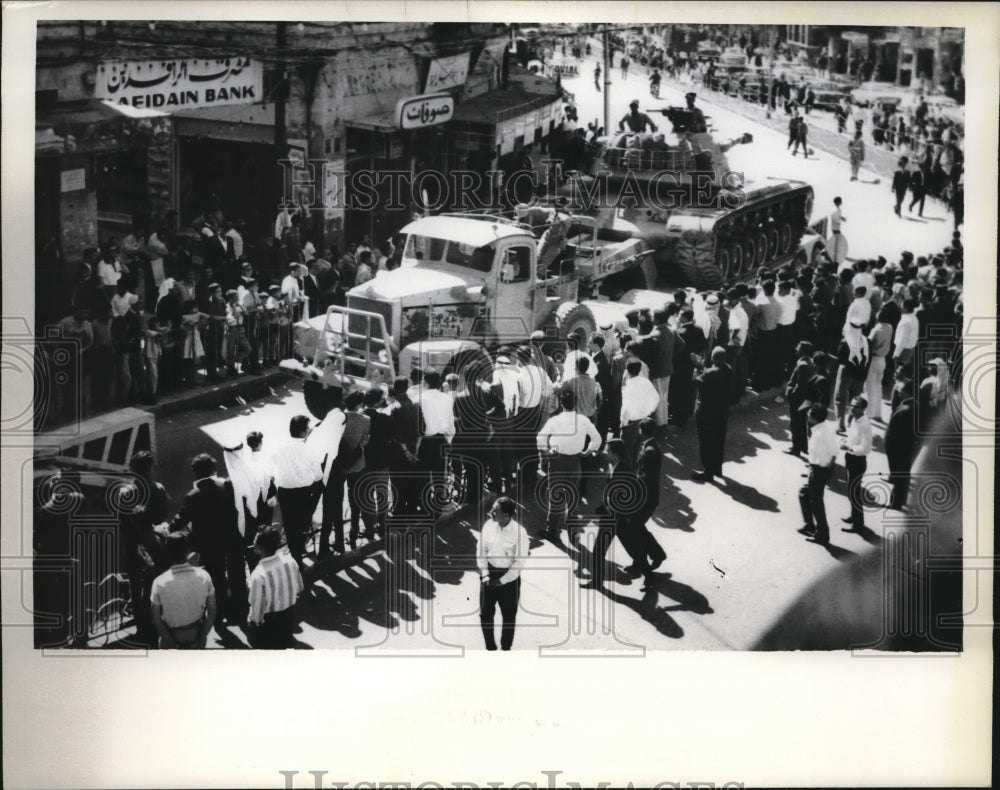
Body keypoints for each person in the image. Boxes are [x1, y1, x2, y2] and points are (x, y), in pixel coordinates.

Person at [168, 453, 246, 625]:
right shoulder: (226, 485)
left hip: (208, 542)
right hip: (231, 536)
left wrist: (168, 529)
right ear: (213, 470)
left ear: (195, 473)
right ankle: (240, 608)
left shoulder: (192, 495)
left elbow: (181, 518)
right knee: (236, 573)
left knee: (216, 577)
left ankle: (219, 613)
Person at [536, 390, 601, 543]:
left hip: (557, 461)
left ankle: (551, 531)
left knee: (555, 498)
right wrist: (587, 451)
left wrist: (546, 451)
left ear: (561, 404)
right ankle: (573, 533)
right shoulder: (583, 420)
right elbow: (597, 438)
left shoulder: (555, 420)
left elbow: (540, 437)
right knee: (572, 498)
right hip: (575, 462)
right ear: (576, 403)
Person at [477, 497, 529, 651]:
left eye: (495, 511)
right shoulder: (488, 525)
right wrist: (485, 574)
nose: (491, 512)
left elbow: (519, 563)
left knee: (508, 618)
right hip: (489, 575)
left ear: (506, 516)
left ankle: (506, 650)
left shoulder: (520, 533)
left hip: (509, 581)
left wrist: (502, 581)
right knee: (485, 616)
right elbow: (481, 550)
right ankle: (490, 649)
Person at [271, 415, 324, 564]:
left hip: (284, 491)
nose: (309, 431)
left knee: (290, 525)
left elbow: (272, 469)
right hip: (303, 492)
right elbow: (319, 476)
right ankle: (299, 553)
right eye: (308, 428)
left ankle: (296, 557)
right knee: (302, 524)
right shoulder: (309, 449)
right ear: (302, 432)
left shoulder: (279, 447)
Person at [150, 531, 217, 649]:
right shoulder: (204, 576)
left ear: (167, 552)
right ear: (188, 551)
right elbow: (212, 612)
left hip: (171, 638)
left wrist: (172, 643)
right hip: (197, 635)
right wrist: (201, 637)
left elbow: (156, 620)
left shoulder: (159, 582)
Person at [246, 525, 304, 649]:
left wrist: (253, 623)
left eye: (255, 542)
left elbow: (257, 610)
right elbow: (299, 588)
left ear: (260, 549)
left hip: (269, 623)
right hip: (288, 616)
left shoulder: (258, 574)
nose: (253, 544)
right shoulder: (290, 561)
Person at [417, 370, 457, 518]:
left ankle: (426, 508)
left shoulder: (420, 398)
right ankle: (438, 508)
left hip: (425, 441)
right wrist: (449, 441)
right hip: (441, 439)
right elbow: (450, 421)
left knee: (424, 476)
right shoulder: (446, 398)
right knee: (440, 475)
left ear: (425, 382)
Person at [693, 347, 735, 482]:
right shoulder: (728, 369)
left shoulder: (710, 373)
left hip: (707, 412)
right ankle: (717, 469)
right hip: (722, 411)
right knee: (718, 440)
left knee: (706, 442)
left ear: (712, 358)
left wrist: (698, 367)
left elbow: (697, 380)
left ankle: (708, 472)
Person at [798, 404, 838, 545]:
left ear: (814, 419)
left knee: (816, 503)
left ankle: (822, 534)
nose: (807, 415)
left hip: (819, 470)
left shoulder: (821, 433)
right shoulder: (821, 428)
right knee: (804, 494)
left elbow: (833, 452)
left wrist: (824, 470)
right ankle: (810, 525)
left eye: (809, 414)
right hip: (817, 468)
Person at [840, 395, 873, 532]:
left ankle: (858, 525)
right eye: (851, 405)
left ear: (863, 409)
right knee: (850, 491)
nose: (852, 408)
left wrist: (849, 448)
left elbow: (866, 448)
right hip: (850, 458)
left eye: (856, 406)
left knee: (854, 493)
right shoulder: (855, 419)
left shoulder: (864, 424)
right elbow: (853, 438)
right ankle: (854, 516)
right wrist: (846, 443)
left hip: (858, 461)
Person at [619, 360, 661, 467]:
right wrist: (648, 410)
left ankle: (628, 472)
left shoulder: (629, 386)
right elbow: (656, 398)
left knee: (626, 449)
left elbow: (626, 407)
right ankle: (634, 470)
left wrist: (623, 422)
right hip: (642, 420)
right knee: (637, 448)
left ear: (627, 371)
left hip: (630, 422)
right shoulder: (646, 382)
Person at [883, 382, 918, 510]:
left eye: (902, 390)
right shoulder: (908, 406)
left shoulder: (906, 410)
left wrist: (896, 448)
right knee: (901, 475)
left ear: (908, 393)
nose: (899, 392)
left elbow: (902, 433)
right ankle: (898, 501)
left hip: (898, 448)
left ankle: (896, 503)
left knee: (899, 476)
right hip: (901, 448)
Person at [835, 320, 870, 433]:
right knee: (855, 400)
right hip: (860, 374)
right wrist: (863, 376)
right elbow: (869, 361)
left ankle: (840, 425)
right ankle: (851, 423)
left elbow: (840, 359)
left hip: (846, 372)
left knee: (840, 399)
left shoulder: (845, 341)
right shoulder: (868, 342)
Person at [784, 341, 815, 457]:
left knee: (796, 424)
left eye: (799, 347)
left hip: (798, 399)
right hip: (805, 399)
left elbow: (800, 385)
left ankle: (795, 448)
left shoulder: (803, 364)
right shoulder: (809, 361)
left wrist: (791, 394)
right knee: (801, 423)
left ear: (804, 351)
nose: (796, 349)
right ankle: (803, 446)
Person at [866, 308, 893, 422]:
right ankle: (878, 413)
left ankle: (869, 413)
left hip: (874, 359)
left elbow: (868, 343)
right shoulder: (890, 327)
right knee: (878, 386)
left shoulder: (876, 329)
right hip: (883, 359)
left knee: (869, 387)